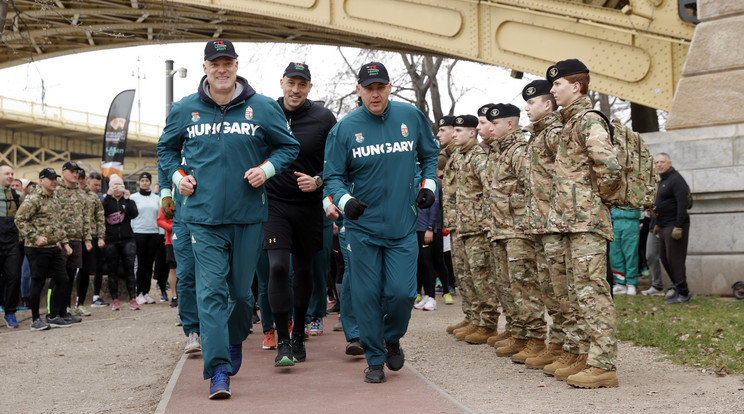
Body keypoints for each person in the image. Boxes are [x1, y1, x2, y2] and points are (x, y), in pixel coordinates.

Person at [157, 39, 300, 400]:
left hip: (249, 215)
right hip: (201, 217)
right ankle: (218, 369)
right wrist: (177, 180)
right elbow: (166, 150)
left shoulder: (263, 107)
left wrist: (266, 170)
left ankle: (235, 337)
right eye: (215, 63)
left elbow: (288, 147)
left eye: (228, 62)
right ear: (205, 67)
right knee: (211, 292)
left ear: (236, 65)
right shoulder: (184, 109)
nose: (222, 69)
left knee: (239, 294)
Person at [323, 61, 438, 383]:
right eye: (369, 88)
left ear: (389, 88)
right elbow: (333, 176)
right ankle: (374, 358)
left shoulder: (410, 117)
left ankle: (392, 337)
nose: (375, 94)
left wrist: (428, 186)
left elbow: (429, 155)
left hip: (402, 226)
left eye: (381, 87)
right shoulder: (344, 129)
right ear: (359, 90)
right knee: (367, 294)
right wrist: (346, 202)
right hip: (363, 230)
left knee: (402, 293)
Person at [546, 58, 621, 388]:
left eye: (557, 84)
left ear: (576, 86)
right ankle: (582, 354)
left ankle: (604, 364)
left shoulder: (588, 120)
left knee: (592, 291)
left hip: (586, 221)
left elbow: (610, 166)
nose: (552, 90)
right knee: (576, 292)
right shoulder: (569, 123)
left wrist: (595, 199)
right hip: (569, 222)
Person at [263, 62, 337, 366]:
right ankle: (282, 339)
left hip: (308, 205)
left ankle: (298, 335)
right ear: (281, 83)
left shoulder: (323, 117)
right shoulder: (266, 111)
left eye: (302, 84)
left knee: (305, 271)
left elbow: (337, 161)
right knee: (278, 267)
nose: (295, 89)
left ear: (309, 87)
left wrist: (318, 181)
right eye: (291, 83)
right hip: (274, 203)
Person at [519, 80, 577, 370]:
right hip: (540, 225)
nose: (526, 109)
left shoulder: (555, 134)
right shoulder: (537, 137)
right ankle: (557, 345)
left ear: (547, 105)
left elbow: (569, 177)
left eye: (531, 104)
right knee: (551, 294)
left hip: (555, 225)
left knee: (562, 294)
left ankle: (572, 349)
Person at [482, 103, 547, 359]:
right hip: (501, 229)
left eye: (495, 123)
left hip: (518, 230)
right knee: (508, 287)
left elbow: (531, 189)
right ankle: (519, 333)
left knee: (524, 286)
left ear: (510, 124)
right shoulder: (499, 152)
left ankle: (536, 338)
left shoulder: (519, 151)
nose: (489, 127)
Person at [14, 167, 73, 330]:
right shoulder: (33, 199)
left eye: (56, 179)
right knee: (38, 282)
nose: (55, 181)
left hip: (54, 247)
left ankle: (53, 316)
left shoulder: (55, 199)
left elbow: (58, 223)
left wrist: (65, 243)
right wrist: (35, 237)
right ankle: (35, 320)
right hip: (36, 248)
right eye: (51, 179)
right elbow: (20, 220)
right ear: (41, 181)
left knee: (63, 279)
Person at [51, 161, 89, 324]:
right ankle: (51, 313)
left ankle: (63, 311)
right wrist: (56, 238)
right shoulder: (55, 190)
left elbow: (85, 217)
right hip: (59, 241)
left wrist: (86, 239)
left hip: (76, 240)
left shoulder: (81, 193)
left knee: (70, 277)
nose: (75, 175)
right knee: (57, 277)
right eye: (72, 172)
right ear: (63, 172)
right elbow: (51, 216)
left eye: (77, 172)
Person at [652, 153, 692, 304]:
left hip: (674, 226)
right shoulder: (661, 180)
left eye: (662, 162)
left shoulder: (676, 179)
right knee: (665, 259)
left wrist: (678, 226)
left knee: (675, 261)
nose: (659, 165)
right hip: (663, 225)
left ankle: (684, 293)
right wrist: (656, 224)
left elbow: (682, 205)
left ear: (669, 163)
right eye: (656, 162)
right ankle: (678, 289)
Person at [101, 174, 140, 312]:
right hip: (111, 239)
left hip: (127, 239)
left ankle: (133, 299)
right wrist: (108, 195)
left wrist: (128, 200)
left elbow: (134, 214)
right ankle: (115, 299)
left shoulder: (128, 200)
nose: (117, 188)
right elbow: (101, 213)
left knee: (130, 269)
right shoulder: (107, 201)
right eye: (114, 185)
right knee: (112, 270)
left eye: (120, 185)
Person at [75, 169, 106, 314]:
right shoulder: (68, 194)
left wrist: (100, 237)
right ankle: (66, 305)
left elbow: (100, 218)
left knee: (86, 271)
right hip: (73, 237)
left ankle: (80, 302)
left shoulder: (93, 197)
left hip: (90, 237)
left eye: (82, 178)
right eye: (78, 178)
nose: (79, 180)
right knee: (68, 272)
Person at [130, 172, 162, 305]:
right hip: (138, 232)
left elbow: (160, 216)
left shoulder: (156, 198)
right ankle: (138, 293)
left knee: (149, 265)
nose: (144, 183)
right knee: (140, 264)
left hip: (153, 233)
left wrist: (160, 233)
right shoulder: (133, 197)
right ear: (139, 182)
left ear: (150, 182)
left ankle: (146, 292)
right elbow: (131, 216)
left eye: (147, 180)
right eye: (142, 180)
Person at [0, 165, 22, 328]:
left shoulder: (17, 196)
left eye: (12, 174)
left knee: (14, 277)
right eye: (7, 173)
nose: (10, 176)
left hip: (12, 243)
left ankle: (10, 313)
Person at [610, 207, 641, 295]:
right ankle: (620, 282)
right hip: (616, 221)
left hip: (631, 220)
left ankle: (631, 283)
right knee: (615, 253)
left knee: (630, 253)